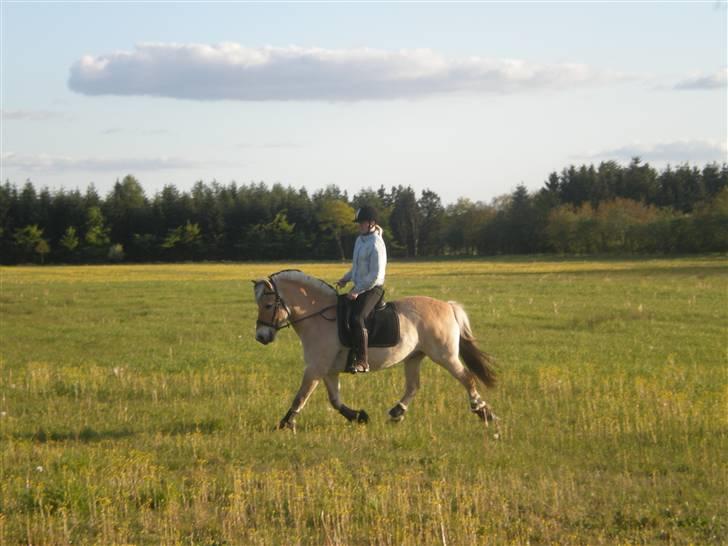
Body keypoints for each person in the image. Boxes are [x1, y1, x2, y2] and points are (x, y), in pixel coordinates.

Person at [336, 205, 387, 373]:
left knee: (357, 318)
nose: (359, 226)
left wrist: (357, 290)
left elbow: (375, 275)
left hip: (373, 289)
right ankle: (348, 354)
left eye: (362, 223)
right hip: (359, 287)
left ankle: (363, 361)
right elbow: (356, 268)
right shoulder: (360, 240)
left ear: (372, 223)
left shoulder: (376, 244)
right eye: (358, 223)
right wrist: (346, 278)